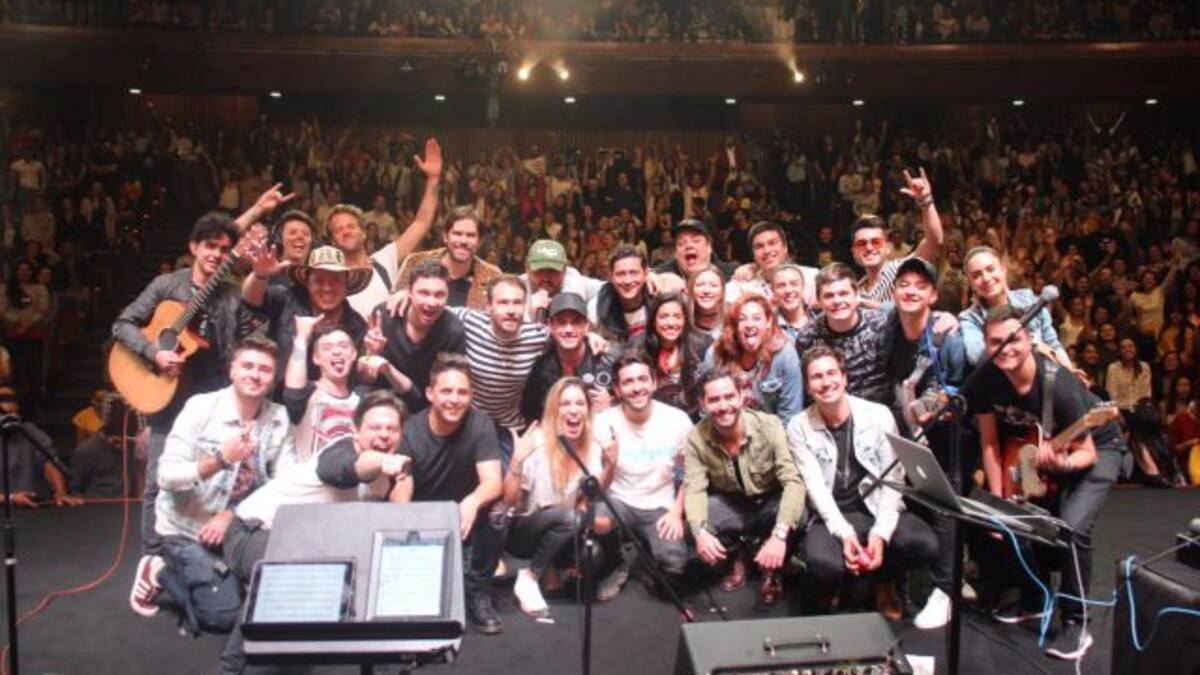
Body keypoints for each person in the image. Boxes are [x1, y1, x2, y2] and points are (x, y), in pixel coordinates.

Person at [115, 212, 259, 614]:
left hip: (212, 397)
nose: (217, 254)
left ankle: (203, 561)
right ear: (194, 247)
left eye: (225, 249)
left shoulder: (231, 294)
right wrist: (153, 352)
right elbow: (123, 324)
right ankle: (153, 559)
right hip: (167, 397)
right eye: (210, 246)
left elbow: (251, 334)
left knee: (216, 480)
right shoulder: (167, 286)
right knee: (158, 481)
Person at [972, 306, 1126, 661]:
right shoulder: (985, 377)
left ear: (1029, 340)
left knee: (1071, 527)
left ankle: (1077, 622)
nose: (1005, 348)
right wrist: (998, 501)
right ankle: (1035, 598)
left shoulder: (1059, 383)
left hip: (1097, 448)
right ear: (985, 344)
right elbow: (990, 442)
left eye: (1014, 339)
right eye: (996, 342)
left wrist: (1062, 464)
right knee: (1021, 517)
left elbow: (1086, 453)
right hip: (1044, 447)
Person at [219, 391, 410, 675]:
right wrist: (382, 462)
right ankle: (230, 669)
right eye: (375, 427)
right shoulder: (339, 452)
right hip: (249, 532)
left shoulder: (386, 479)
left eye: (391, 429)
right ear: (356, 431)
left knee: (369, 579)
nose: (384, 435)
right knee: (290, 572)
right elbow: (354, 468)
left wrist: (400, 477)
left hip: (304, 544)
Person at [321, 353, 506, 634]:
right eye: (446, 391)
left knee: (497, 512)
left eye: (462, 392)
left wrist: (472, 500)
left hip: (464, 517)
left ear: (471, 396)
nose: (454, 399)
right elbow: (402, 493)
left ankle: (478, 592)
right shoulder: (409, 431)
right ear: (430, 393)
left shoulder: (480, 424)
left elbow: (493, 481)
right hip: (424, 519)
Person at [139, 337, 293, 629]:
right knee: (224, 618)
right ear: (232, 370)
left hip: (238, 526)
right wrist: (221, 459)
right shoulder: (201, 408)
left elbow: (285, 485)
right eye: (247, 366)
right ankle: (159, 570)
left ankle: (227, 574)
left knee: (279, 597)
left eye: (264, 369)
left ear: (274, 378)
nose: (255, 374)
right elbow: (166, 476)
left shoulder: (279, 418)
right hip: (188, 529)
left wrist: (233, 515)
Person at [787, 345, 938, 621]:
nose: (826, 382)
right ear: (808, 387)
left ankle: (884, 581)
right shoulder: (798, 426)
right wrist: (845, 534)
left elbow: (893, 479)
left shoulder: (878, 415)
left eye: (832, 373)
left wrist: (880, 533)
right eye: (817, 377)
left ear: (844, 377)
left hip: (874, 507)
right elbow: (816, 489)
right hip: (831, 515)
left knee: (923, 543)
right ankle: (838, 582)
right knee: (823, 564)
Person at [880, 257, 968, 629]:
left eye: (920, 285)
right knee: (907, 505)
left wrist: (925, 412)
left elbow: (958, 387)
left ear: (933, 295)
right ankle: (907, 580)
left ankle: (946, 589)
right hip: (906, 434)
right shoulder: (889, 325)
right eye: (904, 284)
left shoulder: (948, 336)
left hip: (945, 437)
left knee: (945, 509)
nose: (911, 291)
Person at [682, 368, 806, 606]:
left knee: (798, 513)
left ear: (741, 396)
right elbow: (694, 489)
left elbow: (793, 482)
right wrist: (700, 533)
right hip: (733, 504)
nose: (723, 406)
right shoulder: (696, 438)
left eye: (729, 396)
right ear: (703, 404)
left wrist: (779, 535)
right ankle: (737, 556)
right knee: (695, 522)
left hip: (770, 502)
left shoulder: (769, 426)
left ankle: (773, 568)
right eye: (714, 400)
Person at [504, 377, 620, 619]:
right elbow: (509, 503)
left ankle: (552, 567)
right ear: (554, 410)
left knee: (593, 556)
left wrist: (610, 466)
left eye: (580, 403)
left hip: (565, 526)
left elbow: (591, 494)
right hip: (524, 530)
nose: (574, 410)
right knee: (571, 518)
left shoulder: (592, 445)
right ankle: (530, 576)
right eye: (565, 404)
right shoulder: (536, 443)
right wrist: (515, 464)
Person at [592, 354, 694, 601]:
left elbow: (691, 472)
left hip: (660, 505)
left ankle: (645, 557)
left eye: (642, 379)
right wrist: (610, 464)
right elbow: (595, 487)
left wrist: (676, 511)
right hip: (619, 502)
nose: (637, 387)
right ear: (617, 389)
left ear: (654, 382)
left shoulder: (677, 420)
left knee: (676, 571)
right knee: (599, 521)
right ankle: (616, 561)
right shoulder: (603, 422)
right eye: (628, 382)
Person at [333, 138, 444, 320]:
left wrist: (433, 179)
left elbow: (421, 223)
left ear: (363, 233)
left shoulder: (383, 261)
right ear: (333, 241)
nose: (346, 231)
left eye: (351, 226)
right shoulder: (330, 280)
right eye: (338, 229)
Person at [242, 244, 371, 382]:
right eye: (319, 281)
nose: (327, 288)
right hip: (278, 393)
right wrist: (259, 275)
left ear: (346, 285)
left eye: (335, 281)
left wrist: (372, 357)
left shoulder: (357, 325)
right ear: (307, 283)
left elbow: (360, 378)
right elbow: (251, 300)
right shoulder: (286, 298)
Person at [362, 260, 466, 412]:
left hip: (426, 409)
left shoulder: (452, 331)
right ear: (409, 292)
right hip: (381, 404)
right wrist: (371, 354)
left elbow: (447, 390)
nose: (431, 302)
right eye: (424, 293)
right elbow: (365, 379)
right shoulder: (384, 317)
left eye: (439, 295)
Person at [795, 263, 893, 404]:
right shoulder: (808, 337)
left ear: (856, 295)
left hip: (881, 410)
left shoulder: (880, 325)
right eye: (829, 296)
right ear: (819, 301)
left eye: (843, 293)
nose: (837, 301)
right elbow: (807, 389)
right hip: (830, 410)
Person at [958, 246, 1071, 367]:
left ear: (1003, 269)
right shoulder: (970, 318)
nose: (986, 278)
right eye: (976, 275)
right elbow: (977, 357)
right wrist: (1033, 343)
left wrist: (1070, 372)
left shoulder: (1029, 299)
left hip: (1045, 373)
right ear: (971, 283)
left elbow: (1053, 344)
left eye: (990, 269)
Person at [705, 292, 804, 425]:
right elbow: (707, 411)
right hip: (726, 430)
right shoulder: (716, 353)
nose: (749, 324)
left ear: (768, 322)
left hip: (772, 433)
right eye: (742, 319)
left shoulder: (784, 354)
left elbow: (790, 417)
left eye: (757, 318)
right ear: (734, 325)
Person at [851, 168, 943, 307]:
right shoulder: (855, 292)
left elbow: (934, 240)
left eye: (876, 242)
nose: (869, 248)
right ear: (854, 252)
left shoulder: (901, 269)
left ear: (887, 247)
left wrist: (926, 200)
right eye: (862, 243)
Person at [522, 292, 613, 423]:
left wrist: (610, 407)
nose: (568, 330)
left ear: (586, 326)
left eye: (575, 322)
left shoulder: (605, 361)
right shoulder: (540, 367)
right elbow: (532, 415)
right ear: (550, 326)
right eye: (561, 322)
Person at [394, 205, 501, 310]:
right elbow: (393, 303)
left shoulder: (492, 276)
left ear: (480, 242)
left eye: (470, 235)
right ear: (445, 236)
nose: (463, 241)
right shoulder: (416, 262)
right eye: (457, 234)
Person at [0, 385, 80, 508]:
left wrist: (60, 493)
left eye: (11, 398)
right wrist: (11, 498)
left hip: (32, 506)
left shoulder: (30, 431)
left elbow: (49, 464)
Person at [639, 292, 713, 420]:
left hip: (694, 418)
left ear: (685, 320)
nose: (671, 323)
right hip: (652, 418)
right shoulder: (639, 349)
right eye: (664, 317)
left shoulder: (703, 345)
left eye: (677, 316)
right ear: (653, 321)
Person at [725, 221, 817, 306]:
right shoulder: (743, 286)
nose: (767, 250)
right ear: (753, 254)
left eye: (772, 243)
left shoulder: (811, 277)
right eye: (759, 246)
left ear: (785, 248)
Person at [521, 239, 604, 321]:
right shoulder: (517, 287)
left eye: (552, 271)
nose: (546, 278)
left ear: (564, 270)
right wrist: (528, 310)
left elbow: (607, 288)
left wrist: (590, 317)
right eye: (539, 271)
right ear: (527, 269)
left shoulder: (576, 282)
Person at [589, 244, 654, 346]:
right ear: (610, 277)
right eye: (620, 274)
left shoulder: (657, 296)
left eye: (633, 273)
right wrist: (589, 337)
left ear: (645, 274)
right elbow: (580, 331)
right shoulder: (599, 305)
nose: (627, 281)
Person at [653, 219, 734, 280]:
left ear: (709, 247)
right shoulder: (664, 274)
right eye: (681, 243)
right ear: (676, 253)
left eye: (696, 241)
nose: (689, 246)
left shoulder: (730, 274)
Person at [770, 264, 812, 340]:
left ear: (803, 287)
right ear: (773, 291)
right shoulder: (769, 327)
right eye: (781, 286)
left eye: (794, 284)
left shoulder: (823, 317)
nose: (788, 290)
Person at [687, 264, 726, 339]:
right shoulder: (682, 320)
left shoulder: (732, 319)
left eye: (713, 285)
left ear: (722, 291)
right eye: (700, 285)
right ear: (691, 290)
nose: (706, 291)